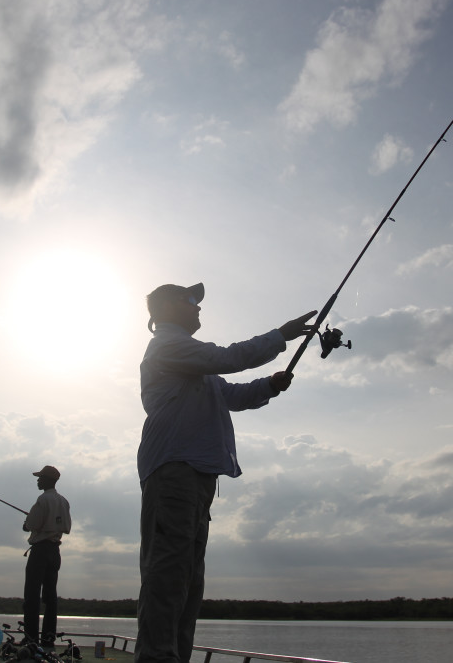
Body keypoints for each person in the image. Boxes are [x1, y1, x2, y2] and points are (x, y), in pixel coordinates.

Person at [134, 282, 316, 663]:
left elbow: (230, 395)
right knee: (167, 579)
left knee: (188, 584)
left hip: (196, 479)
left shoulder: (192, 361)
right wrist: (280, 336)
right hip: (174, 474)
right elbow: (231, 357)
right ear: (166, 307)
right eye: (190, 300)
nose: (198, 307)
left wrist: (270, 385)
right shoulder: (169, 346)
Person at [22, 465, 72, 650]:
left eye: (40, 477)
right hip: (54, 552)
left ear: (47, 480)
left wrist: (26, 525)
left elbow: (32, 523)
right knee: (51, 596)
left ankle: (31, 638)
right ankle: (48, 638)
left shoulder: (42, 500)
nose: (37, 480)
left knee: (32, 595)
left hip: (40, 550)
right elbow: (66, 527)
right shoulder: (64, 501)